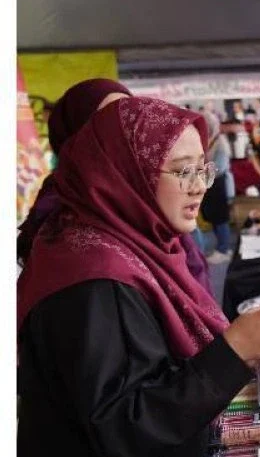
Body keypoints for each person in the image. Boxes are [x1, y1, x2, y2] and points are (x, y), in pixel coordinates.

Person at [17, 96, 260, 457]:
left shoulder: (131, 241)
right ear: (126, 172)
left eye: (202, 169)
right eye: (180, 172)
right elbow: (122, 422)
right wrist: (234, 351)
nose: (198, 189)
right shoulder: (93, 278)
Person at [16, 78, 215, 296]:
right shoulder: (72, 237)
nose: (124, 131)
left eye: (129, 115)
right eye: (109, 119)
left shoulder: (157, 219)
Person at [200, 113, 235, 263]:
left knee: (221, 218)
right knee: (214, 217)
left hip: (219, 184)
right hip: (210, 183)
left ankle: (224, 249)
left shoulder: (220, 143)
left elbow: (219, 168)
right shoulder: (209, 142)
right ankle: (221, 247)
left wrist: (201, 169)